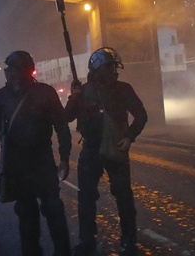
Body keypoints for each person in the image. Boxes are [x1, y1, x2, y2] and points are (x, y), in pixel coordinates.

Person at [64, 47, 148, 256]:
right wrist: (74, 96)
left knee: (124, 197)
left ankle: (129, 241)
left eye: (113, 66)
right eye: (108, 66)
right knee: (86, 198)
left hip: (116, 148)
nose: (113, 71)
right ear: (98, 68)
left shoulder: (123, 89)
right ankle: (86, 241)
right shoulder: (82, 91)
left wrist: (129, 137)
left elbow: (141, 115)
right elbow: (67, 117)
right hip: (91, 148)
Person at [0, 50, 72, 256]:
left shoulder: (45, 93)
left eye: (12, 69)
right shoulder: (2, 95)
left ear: (23, 71)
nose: (8, 73)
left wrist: (65, 158)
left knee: (53, 209)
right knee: (26, 213)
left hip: (42, 161)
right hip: (17, 165)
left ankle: (63, 252)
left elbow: (62, 127)